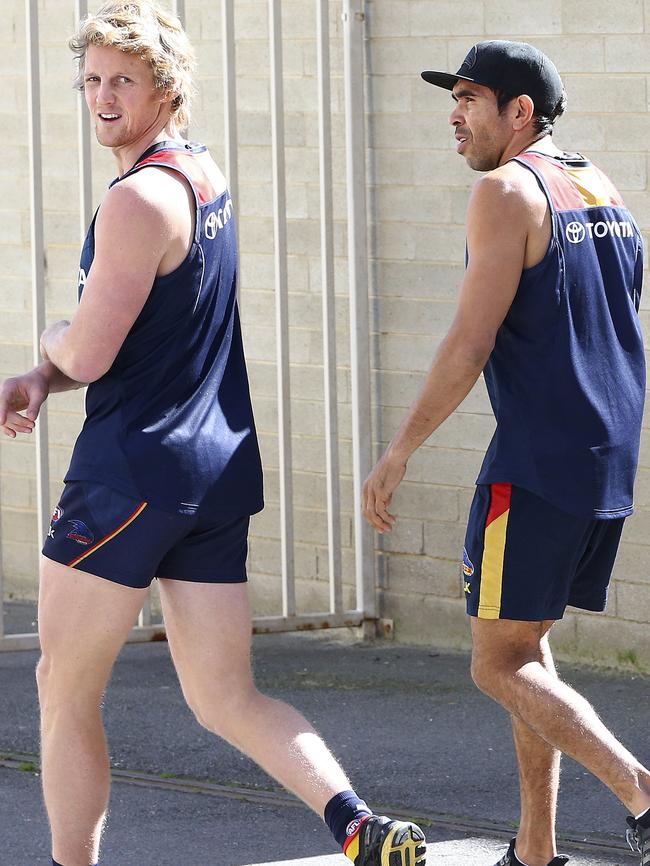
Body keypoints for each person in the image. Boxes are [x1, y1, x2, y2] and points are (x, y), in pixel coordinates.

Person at [0, 4, 426, 866]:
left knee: (61, 686)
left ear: (167, 88)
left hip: (130, 472)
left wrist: (46, 345)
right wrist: (49, 379)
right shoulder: (201, 175)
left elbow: (89, 345)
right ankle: (358, 826)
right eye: (92, 80)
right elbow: (143, 333)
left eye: (124, 80)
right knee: (224, 696)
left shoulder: (137, 201)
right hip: (213, 471)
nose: (103, 98)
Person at [362, 40, 650, 866]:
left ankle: (640, 792)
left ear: (521, 111)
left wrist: (399, 451)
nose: (454, 115)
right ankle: (535, 851)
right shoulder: (601, 187)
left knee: (496, 666)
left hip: (534, 460)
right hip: (604, 456)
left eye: (471, 98)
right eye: (451, 98)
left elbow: (468, 344)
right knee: (526, 648)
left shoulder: (506, 191)